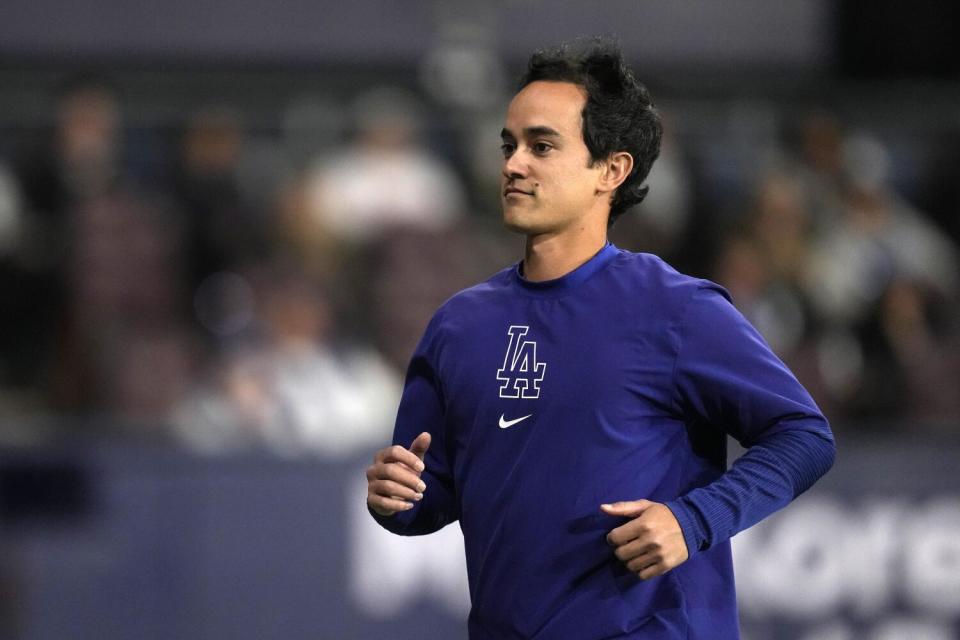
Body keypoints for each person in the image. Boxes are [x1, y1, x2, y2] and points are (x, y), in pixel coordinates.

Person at [366, 38, 835, 640]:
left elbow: (804, 437)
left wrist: (693, 520)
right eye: (509, 146)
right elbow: (432, 497)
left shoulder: (676, 308)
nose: (513, 164)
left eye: (542, 146)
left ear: (611, 171)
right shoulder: (459, 326)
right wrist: (396, 498)